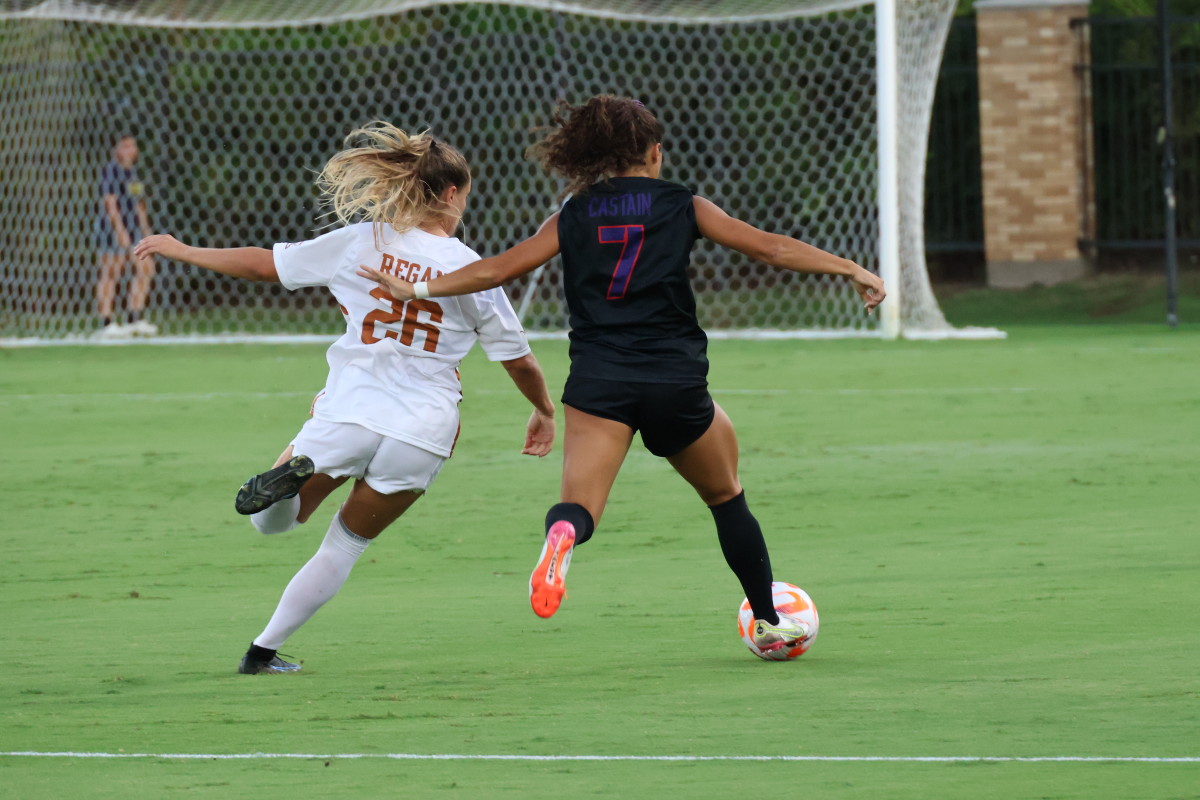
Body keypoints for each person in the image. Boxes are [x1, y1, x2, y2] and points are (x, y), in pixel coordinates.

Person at [360, 95, 885, 656]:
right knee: (726, 496)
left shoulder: (573, 213)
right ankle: (767, 619)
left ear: (595, 155)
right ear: (654, 152)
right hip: (674, 381)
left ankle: (562, 535)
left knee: (579, 506)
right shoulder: (684, 204)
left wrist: (417, 288)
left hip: (599, 384)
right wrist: (849, 267)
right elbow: (770, 249)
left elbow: (499, 269)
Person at [134, 122, 557, 674]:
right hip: (422, 428)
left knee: (273, 524)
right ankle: (260, 653)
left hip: (351, 410)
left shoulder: (363, 241)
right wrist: (544, 410)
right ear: (452, 193)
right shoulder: (472, 269)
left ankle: (284, 487)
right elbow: (518, 360)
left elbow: (265, 264)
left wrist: (183, 249)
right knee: (344, 546)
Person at [96, 133, 158, 338]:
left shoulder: (133, 173)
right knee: (111, 271)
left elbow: (139, 203)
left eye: (132, 146)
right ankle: (106, 323)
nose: (129, 150)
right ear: (116, 149)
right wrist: (120, 231)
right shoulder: (111, 171)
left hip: (134, 228)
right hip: (112, 227)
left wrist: (146, 231)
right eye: (125, 146)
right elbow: (110, 203)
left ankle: (134, 318)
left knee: (146, 268)